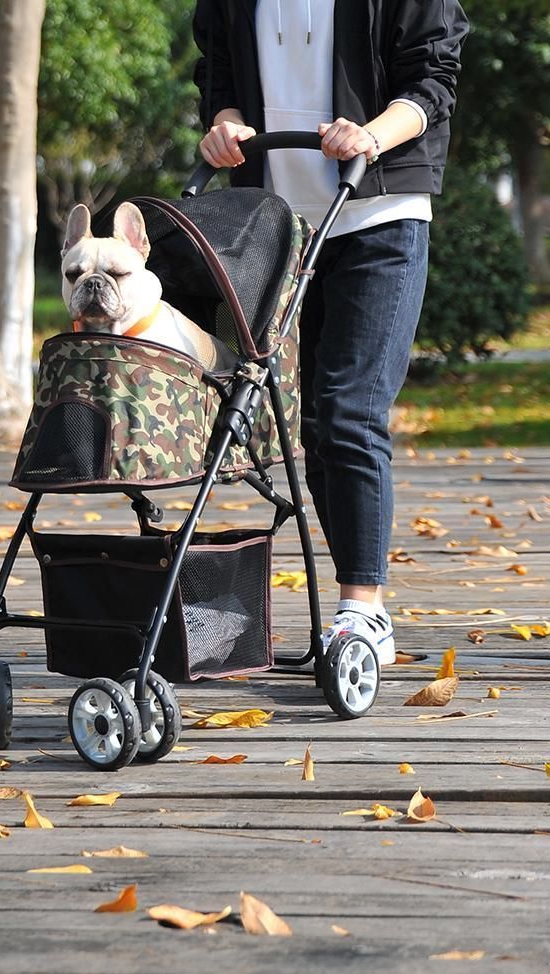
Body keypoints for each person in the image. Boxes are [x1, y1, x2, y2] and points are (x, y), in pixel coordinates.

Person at [192, 1, 468, 664]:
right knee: (315, 424)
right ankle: (351, 616)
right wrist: (224, 126)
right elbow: (221, 80)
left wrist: (372, 132)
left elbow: (432, 82)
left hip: (380, 211)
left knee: (351, 407)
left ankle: (363, 608)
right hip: (281, 221)